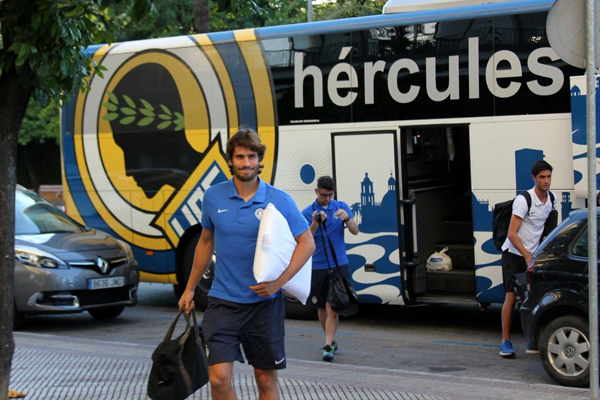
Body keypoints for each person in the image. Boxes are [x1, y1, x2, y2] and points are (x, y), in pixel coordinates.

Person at [178, 128, 315, 400]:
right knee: (217, 380)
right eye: (240, 157)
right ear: (230, 160)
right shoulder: (213, 197)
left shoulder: (278, 199)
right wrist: (190, 288)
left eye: (252, 156)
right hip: (222, 302)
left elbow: (307, 243)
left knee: (265, 381)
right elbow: (206, 243)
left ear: (259, 159)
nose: (246, 163)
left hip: (264, 307)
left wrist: (279, 282)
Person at [499, 160, 555, 358]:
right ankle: (505, 342)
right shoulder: (524, 200)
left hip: (532, 256)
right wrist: (527, 254)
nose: (546, 181)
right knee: (512, 296)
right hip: (514, 255)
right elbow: (512, 234)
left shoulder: (551, 199)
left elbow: (546, 230)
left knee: (532, 297)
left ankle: (532, 342)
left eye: (548, 176)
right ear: (534, 178)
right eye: (542, 177)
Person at [301, 176, 359, 361]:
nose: (327, 199)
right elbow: (304, 238)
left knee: (332, 305)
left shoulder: (340, 206)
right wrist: (315, 223)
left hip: (338, 264)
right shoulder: (307, 212)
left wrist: (347, 218)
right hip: (317, 266)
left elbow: (355, 231)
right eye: (324, 195)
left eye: (330, 195)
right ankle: (330, 339)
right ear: (316, 191)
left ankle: (328, 345)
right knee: (320, 308)